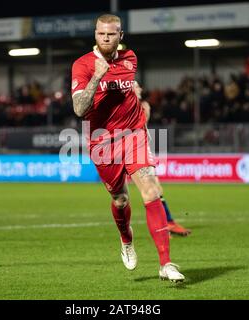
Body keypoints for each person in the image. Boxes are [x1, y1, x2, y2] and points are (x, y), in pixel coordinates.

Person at [71, 14, 185, 282]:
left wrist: (137, 97)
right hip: (102, 140)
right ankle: (126, 238)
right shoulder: (82, 65)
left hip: (134, 134)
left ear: (120, 36)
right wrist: (97, 78)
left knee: (151, 190)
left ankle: (166, 264)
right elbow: (79, 109)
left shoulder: (130, 58)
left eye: (111, 34)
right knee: (120, 199)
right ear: (95, 35)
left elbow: (127, 88)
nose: (106, 38)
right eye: (101, 34)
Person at [133, 81, 191, 237]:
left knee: (156, 189)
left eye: (138, 85)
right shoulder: (126, 106)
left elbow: (141, 121)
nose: (139, 88)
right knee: (152, 189)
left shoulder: (143, 105)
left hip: (142, 149)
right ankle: (165, 225)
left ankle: (167, 223)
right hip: (133, 151)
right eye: (135, 85)